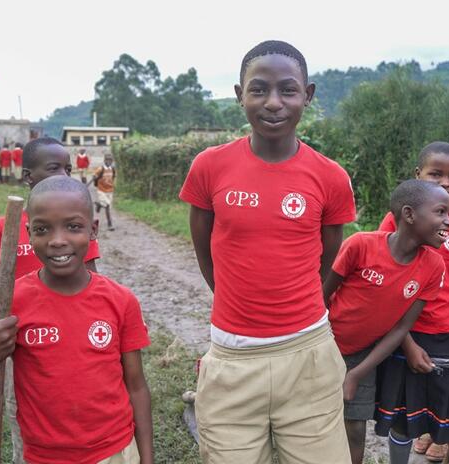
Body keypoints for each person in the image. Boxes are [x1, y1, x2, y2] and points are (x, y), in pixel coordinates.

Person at [179, 40, 356, 463]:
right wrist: (233, 299)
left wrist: (293, 307)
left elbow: (326, 258)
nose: (273, 102)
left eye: (287, 90)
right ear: (239, 95)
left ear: (307, 96)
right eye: (258, 90)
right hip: (231, 360)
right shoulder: (210, 166)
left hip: (309, 357)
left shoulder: (330, 177)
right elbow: (204, 247)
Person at [0, 176, 153, 464]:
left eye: (73, 227)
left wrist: (147, 458)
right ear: (28, 234)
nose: (57, 241)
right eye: (42, 229)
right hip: (44, 457)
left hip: (115, 452)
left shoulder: (120, 300)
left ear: (93, 230)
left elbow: (137, 386)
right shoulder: (11, 304)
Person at [0, 136, 101, 463]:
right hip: (25, 348)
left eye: (68, 168)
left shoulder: (78, 230)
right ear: (28, 176)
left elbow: (94, 285)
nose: (64, 174)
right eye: (53, 168)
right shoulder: (2, 229)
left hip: (75, 340)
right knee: (27, 420)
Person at [375, 143, 449, 464]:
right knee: (404, 419)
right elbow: (384, 290)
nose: (446, 182)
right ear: (418, 175)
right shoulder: (395, 221)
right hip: (402, 337)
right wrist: (406, 344)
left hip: (447, 339)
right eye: (436, 173)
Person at [324, 179, 448, 464]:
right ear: (409, 214)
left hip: (364, 356)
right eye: (440, 212)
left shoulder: (433, 265)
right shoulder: (360, 245)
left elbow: (401, 328)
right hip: (322, 344)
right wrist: (319, 349)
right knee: (312, 421)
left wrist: (356, 373)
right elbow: (322, 297)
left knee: (355, 426)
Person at [90, 153, 116, 231]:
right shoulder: (100, 169)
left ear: (112, 161)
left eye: (110, 160)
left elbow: (113, 178)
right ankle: (110, 224)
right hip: (101, 190)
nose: (109, 162)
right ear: (104, 160)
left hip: (110, 191)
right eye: (107, 160)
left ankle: (99, 205)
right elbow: (94, 176)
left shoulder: (113, 169)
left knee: (107, 205)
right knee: (107, 205)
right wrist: (94, 177)